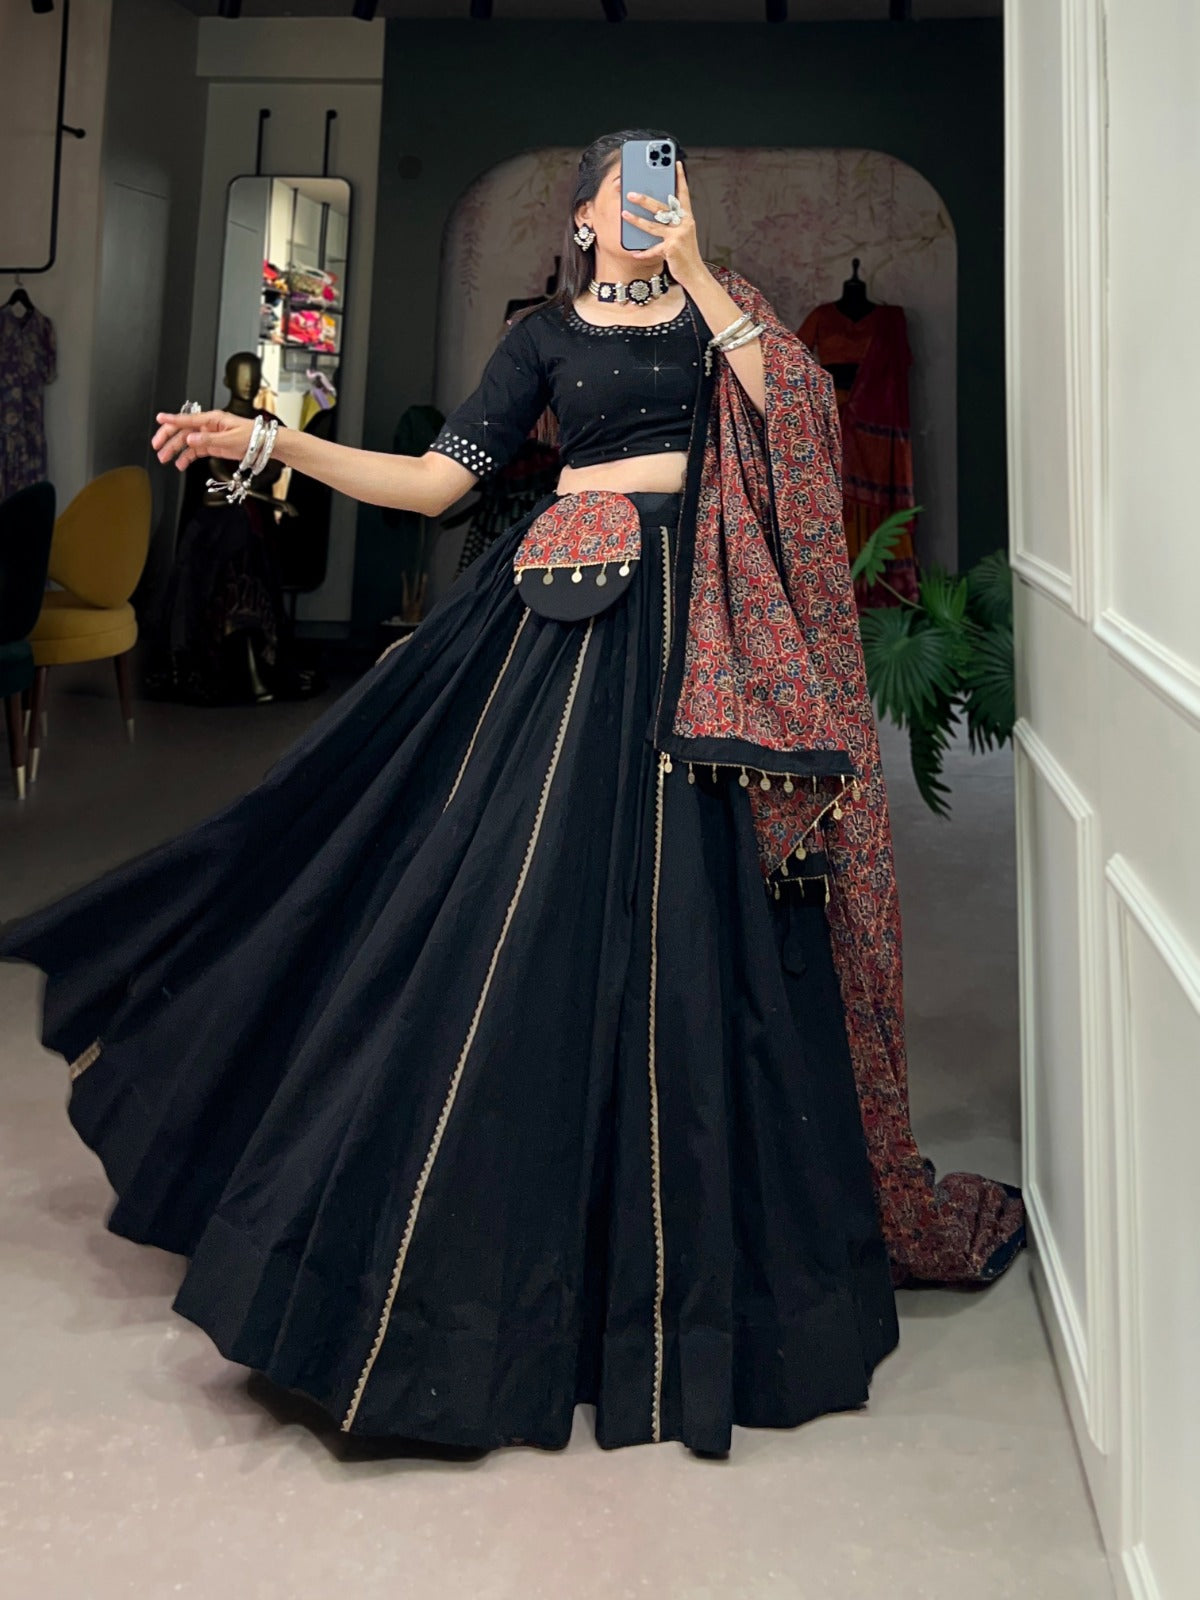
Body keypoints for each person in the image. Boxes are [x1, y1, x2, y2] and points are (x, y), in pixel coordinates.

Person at [0, 129, 1024, 1459]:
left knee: (695, 938)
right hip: (558, 625)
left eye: (673, 187)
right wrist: (272, 437)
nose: (654, 204)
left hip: (700, 645)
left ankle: (687, 1284)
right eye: (630, 190)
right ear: (585, 215)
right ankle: (445, 1281)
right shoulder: (543, 338)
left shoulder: (726, 315)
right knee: (504, 912)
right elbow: (436, 483)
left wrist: (699, 270)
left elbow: (800, 420)